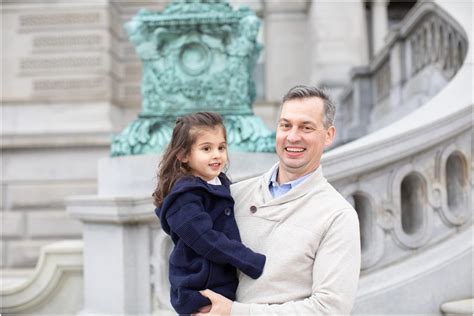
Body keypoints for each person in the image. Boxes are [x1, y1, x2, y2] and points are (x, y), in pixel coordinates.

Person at [196, 86, 361, 315]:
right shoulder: (235, 195)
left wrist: (236, 312)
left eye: (306, 127)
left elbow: (329, 309)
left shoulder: (338, 216)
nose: (293, 136)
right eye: (286, 125)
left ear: (329, 135)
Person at [153, 112, 266, 315]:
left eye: (221, 147)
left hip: (222, 285)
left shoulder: (219, 183)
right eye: (206, 148)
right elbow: (207, 240)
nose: (217, 155)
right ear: (183, 155)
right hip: (198, 290)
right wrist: (249, 260)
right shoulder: (184, 197)